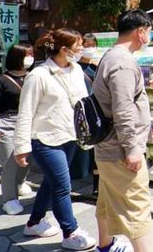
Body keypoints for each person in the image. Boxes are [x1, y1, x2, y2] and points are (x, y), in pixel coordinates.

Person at [13, 29, 97, 251]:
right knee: (62, 186)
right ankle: (71, 232)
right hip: (45, 140)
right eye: (79, 46)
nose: (82, 49)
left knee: (52, 183)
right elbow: (26, 113)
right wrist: (21, 147)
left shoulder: (77, 70)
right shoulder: (38, 75)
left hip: (69, 136)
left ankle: (34, 222)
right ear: (64, 49)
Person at [92, 10, 153, 252]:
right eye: (148, 32)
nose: (148, 37)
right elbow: (124, 108)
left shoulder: (111, 56)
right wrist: (132, 149)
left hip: (108, 146)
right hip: (120, 149)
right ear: (140, 32)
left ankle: (105, 246)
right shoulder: (123, 63)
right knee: (137, 206)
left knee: (107, 200)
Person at [0, 43, 35, 215]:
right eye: (26, 55)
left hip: (28, 122)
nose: (30, 58)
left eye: (32, 54)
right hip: (6, 123)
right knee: (10, 163)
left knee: (27, 158)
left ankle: (19, 182)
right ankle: (9, 199)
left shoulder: (34, 77)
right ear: (16, 57)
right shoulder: (0, 81)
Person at [70, 33, 100, 196]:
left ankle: (97, 186)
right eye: (85, 45)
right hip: (82, 113)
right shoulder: (74, 68)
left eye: (92, 45)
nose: (89, 48)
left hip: (97, 113)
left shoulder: (98, 65)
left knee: (96, 152)